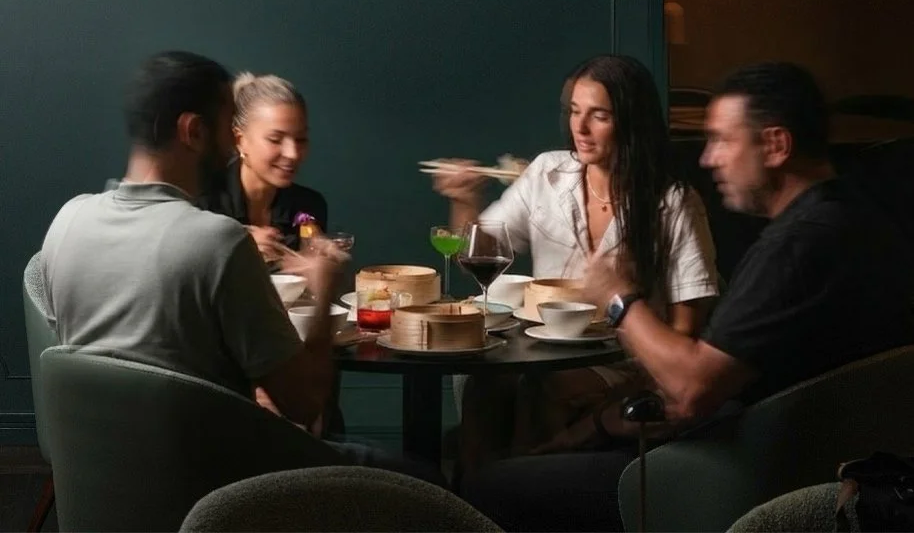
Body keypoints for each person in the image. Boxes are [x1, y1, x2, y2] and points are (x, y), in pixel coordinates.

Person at [462, 62, 914, 531]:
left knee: (487, 489)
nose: (707, 158)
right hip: (798, 450)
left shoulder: (798, 246)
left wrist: (619, 298)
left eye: (723, 140)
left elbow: (692, 389)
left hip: (740, 467)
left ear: (776, 145)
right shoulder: (848, 218)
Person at [40, 50, 441, 481]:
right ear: (194, 131)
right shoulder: (217, 240)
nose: (235, 144)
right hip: (222, 482)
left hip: (101, 478)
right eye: (228, 128)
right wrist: (325, 291)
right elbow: (304, 405)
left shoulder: (67, 220)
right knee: (426, 481)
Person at [432, 54, 718, 463]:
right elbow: (476, 256)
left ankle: (523, 495)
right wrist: (465, 201)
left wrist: (637, 373)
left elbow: (687, 329)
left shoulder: (673, 202)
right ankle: (476, 504)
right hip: (543, 349)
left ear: (632, 120)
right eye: (574, 112)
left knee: (544, 387)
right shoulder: (548, 172)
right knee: (485, 382)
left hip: (624, 362)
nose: (579, 129)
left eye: (598, 115)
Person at [201, 71, 327, 265]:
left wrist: (325, 272)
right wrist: (236, 249)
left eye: (301, 139)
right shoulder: (202, 205)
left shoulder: (309, 205)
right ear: (239, 140)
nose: (293, 153)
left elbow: (314, 292)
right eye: (275, 139)